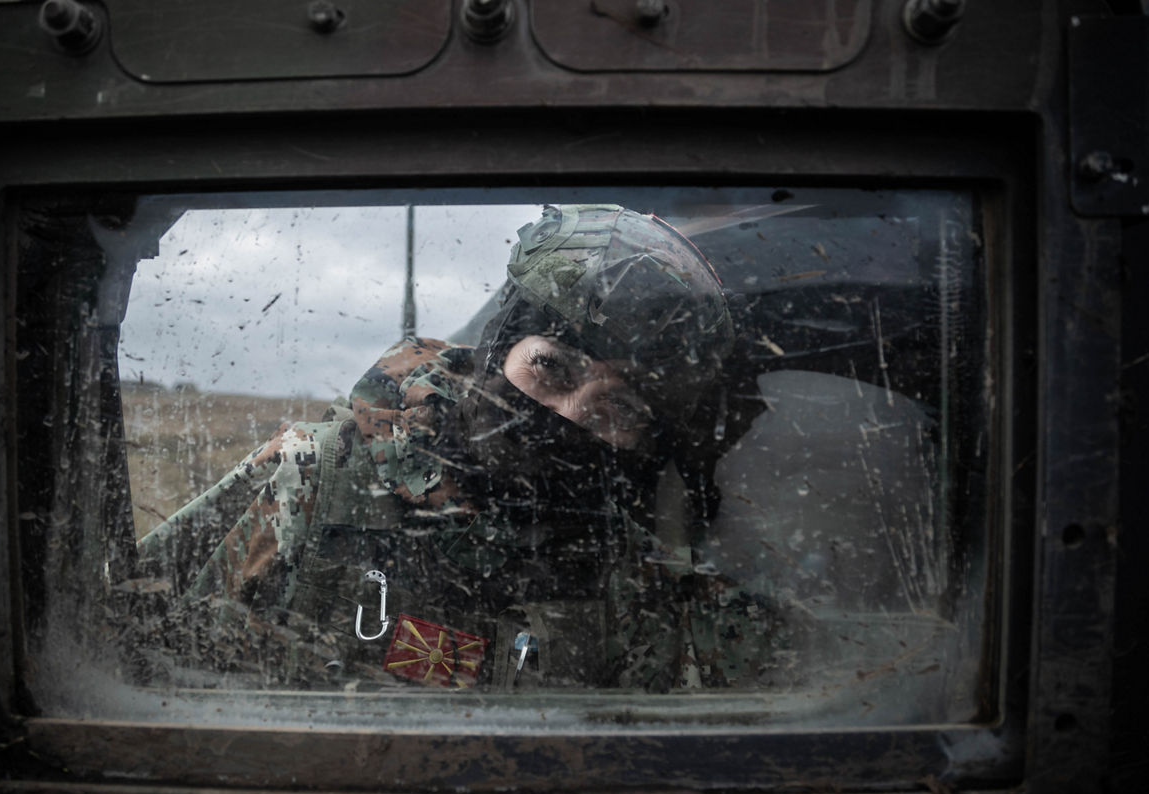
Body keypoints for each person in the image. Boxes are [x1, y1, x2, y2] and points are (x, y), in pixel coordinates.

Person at [121, 204, 796, 692]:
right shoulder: (315, 474)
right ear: (501, 353)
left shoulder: (639, 575)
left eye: (614, 409)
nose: (565, 417)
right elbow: (141, 647)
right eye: (552, 369)